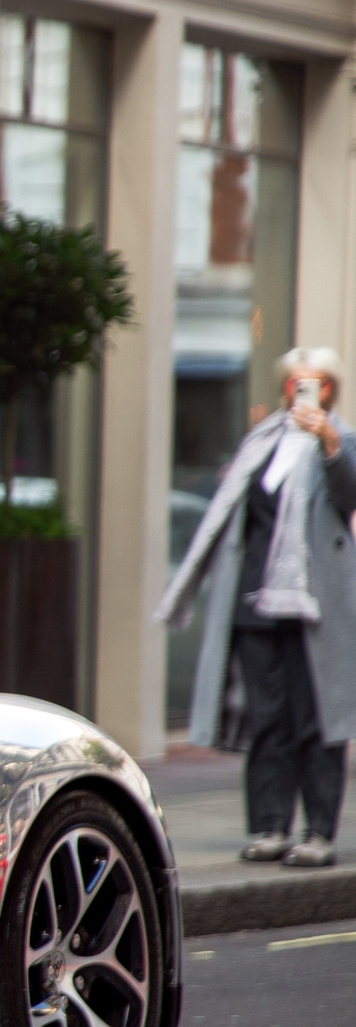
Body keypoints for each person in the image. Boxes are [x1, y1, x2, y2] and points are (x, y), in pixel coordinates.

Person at [159, 348, 356, 867]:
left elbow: (348, 497)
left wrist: (331, 445)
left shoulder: (343, 441)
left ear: (332, 390)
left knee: (318, 720)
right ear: (284, 389)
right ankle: (269, 827)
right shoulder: (260, 442)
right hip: (255, 603)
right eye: (295, 385)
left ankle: (318, 833)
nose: (303, 394)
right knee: (267, 719)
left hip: (316, 605)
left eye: (315, 385)